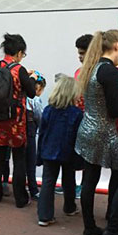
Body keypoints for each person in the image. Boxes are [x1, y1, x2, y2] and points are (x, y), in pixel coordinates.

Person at [74, 30, 118, 235]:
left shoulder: (93, 67)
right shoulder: (110, 72)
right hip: (104, 132)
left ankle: (90, 226)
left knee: (90, 179)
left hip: (87, 130)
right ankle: (112, 226)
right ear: (117, 45)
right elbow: (115, 110)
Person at [0, 33, 37, 207]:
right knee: (19, 159)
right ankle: (21, 199)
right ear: (19, 52)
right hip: (16, 122)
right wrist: (31, 78)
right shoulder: (19, 70)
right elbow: (31, 92)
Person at [36, 75, 84, 226]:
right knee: (69, 179)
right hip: (68, 151)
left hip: (49, 150)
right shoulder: (76, 113)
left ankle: (44, 215)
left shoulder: (48, 110)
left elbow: (42, 132)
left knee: (48, 182)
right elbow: (78, 137)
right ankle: (69, 207)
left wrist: (40, 153)